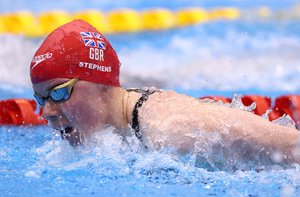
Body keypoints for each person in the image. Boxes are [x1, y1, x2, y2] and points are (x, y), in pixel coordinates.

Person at [30, 19, 300, 170]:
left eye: (59, 92)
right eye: (41, 99)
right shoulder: (119, 129)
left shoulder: (172, 131)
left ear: (101, 84)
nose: (47, 113)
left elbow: (293, 148)